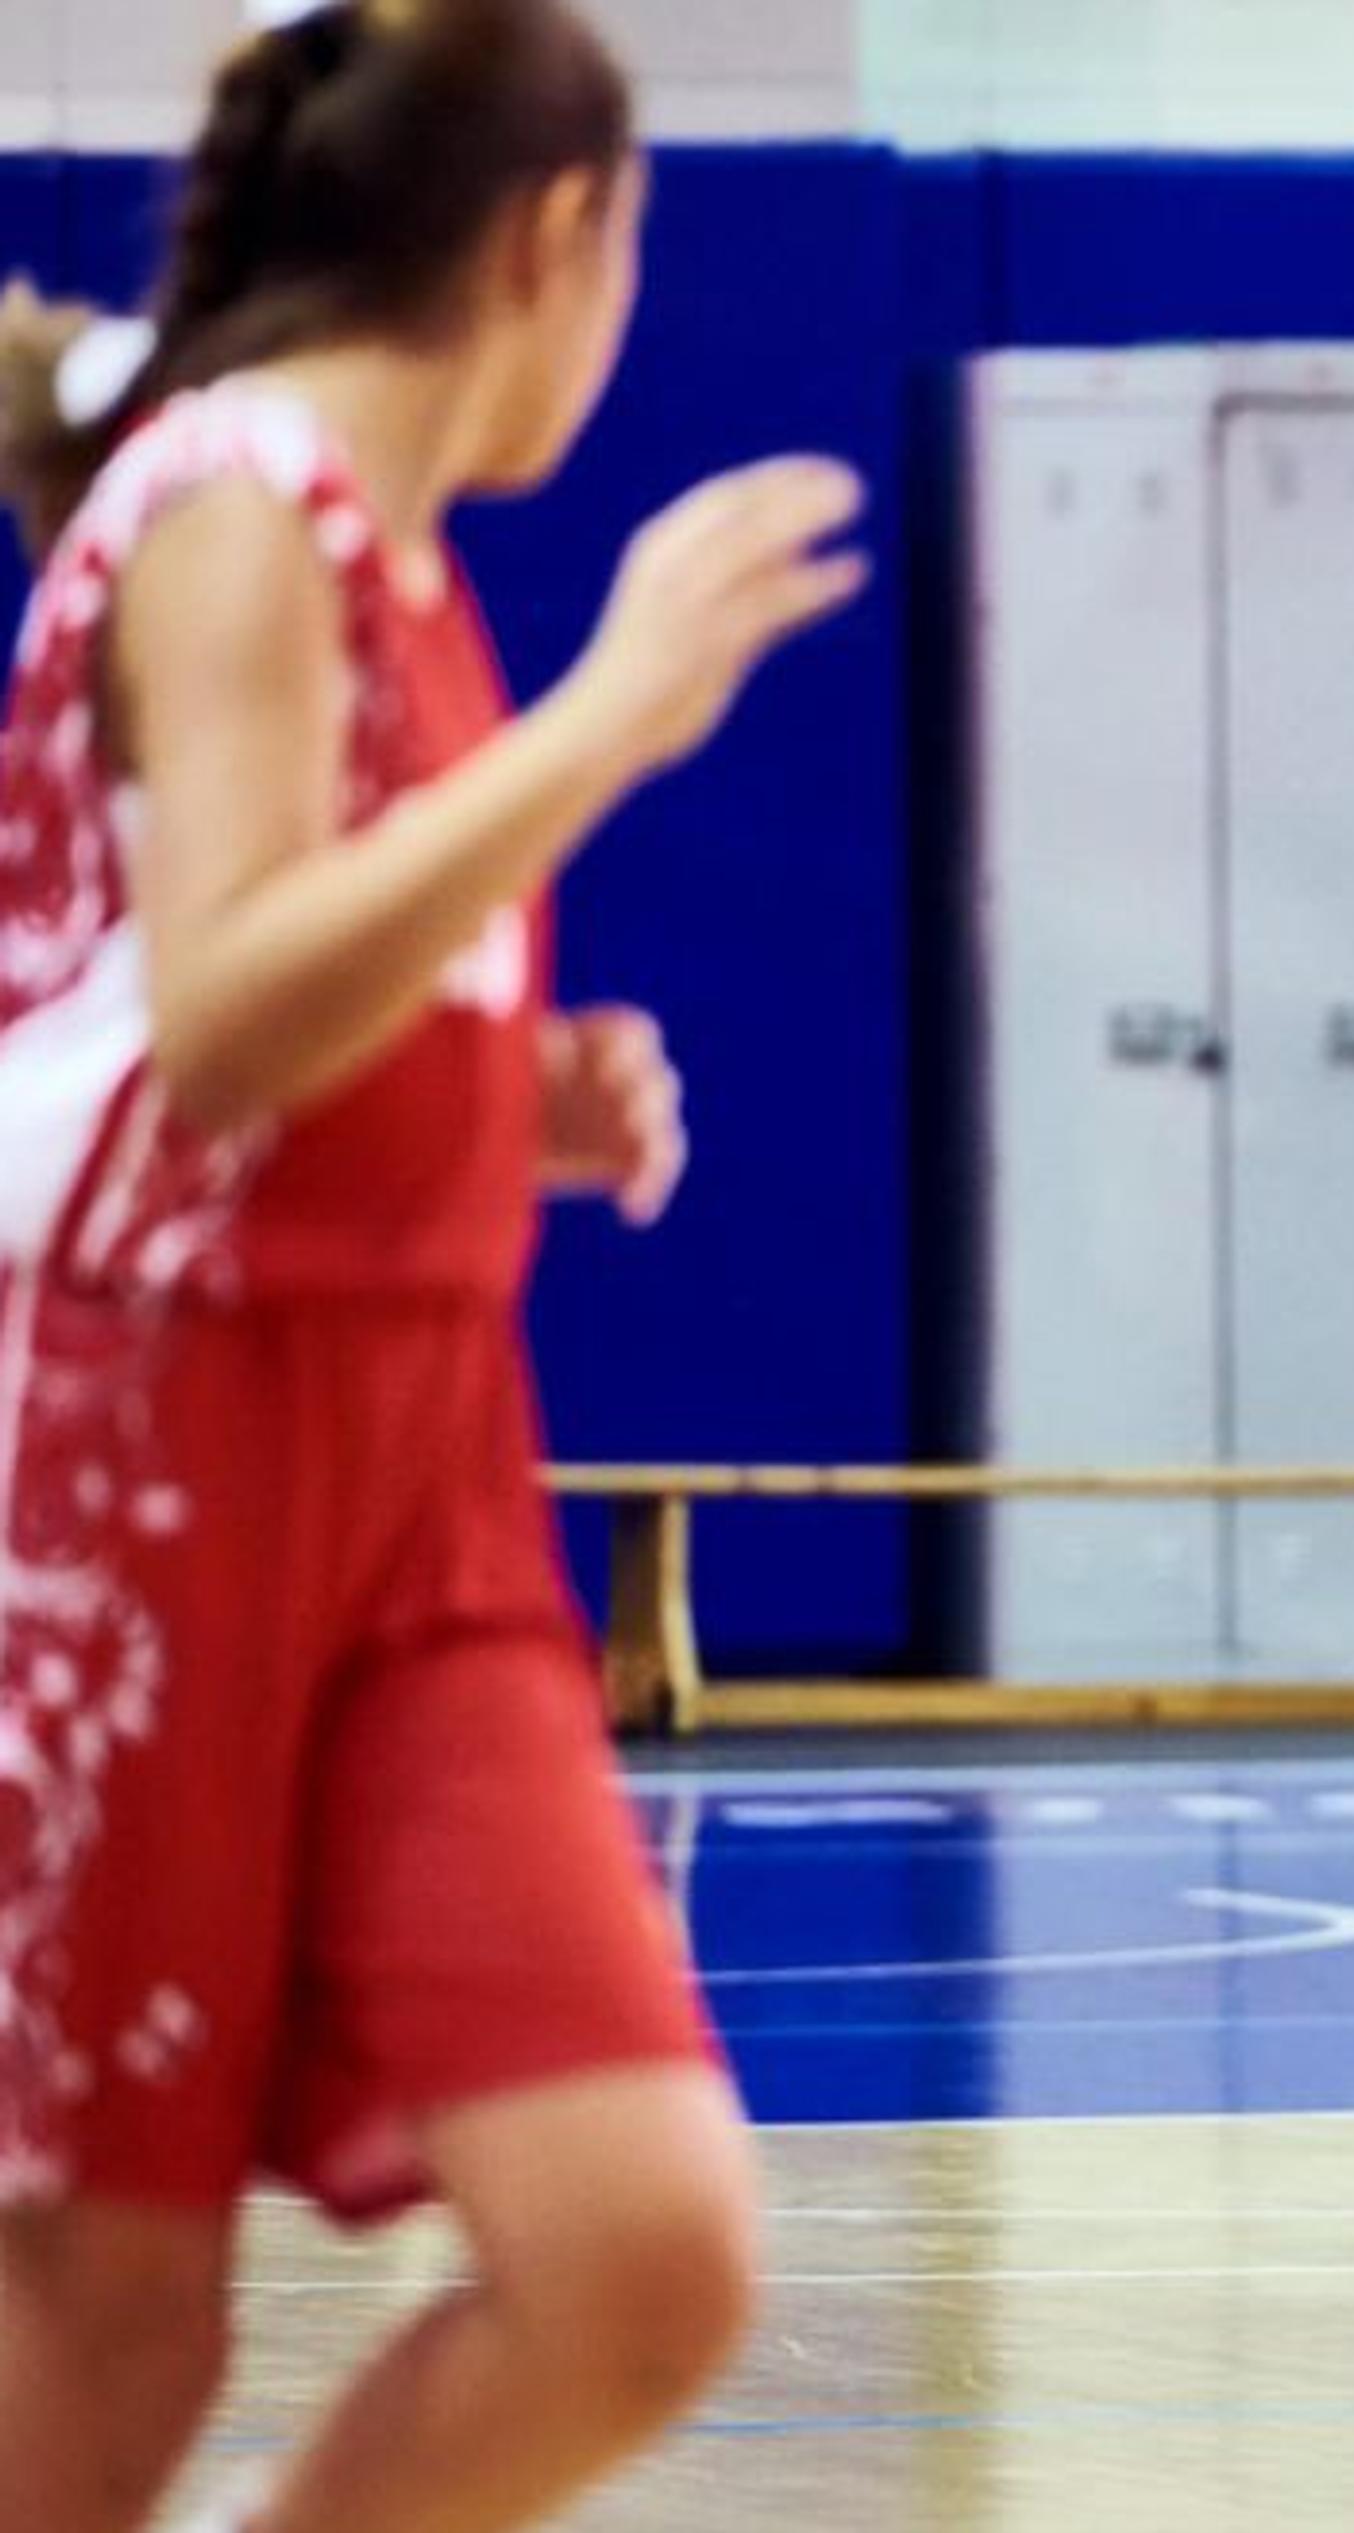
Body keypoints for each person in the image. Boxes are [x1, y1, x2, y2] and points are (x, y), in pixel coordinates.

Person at [0, 2, 868, 2525]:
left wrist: (506, 1092)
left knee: (639, 2251)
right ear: (554, 234)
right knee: (115, 2326)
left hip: (422, 1473)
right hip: (148, 1461)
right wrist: (613, 715)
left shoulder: (378, 549)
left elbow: (276, 992)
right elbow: (227, 1011)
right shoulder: (233, 505)